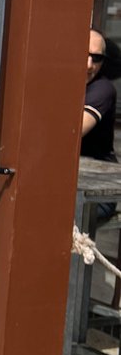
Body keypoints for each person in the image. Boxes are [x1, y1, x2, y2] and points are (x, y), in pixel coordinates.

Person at [82, 27, 119, 224]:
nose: (89, 65)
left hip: (96, 191)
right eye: (84, 54)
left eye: (96, 58)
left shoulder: (102, 89)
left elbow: (72, 132)